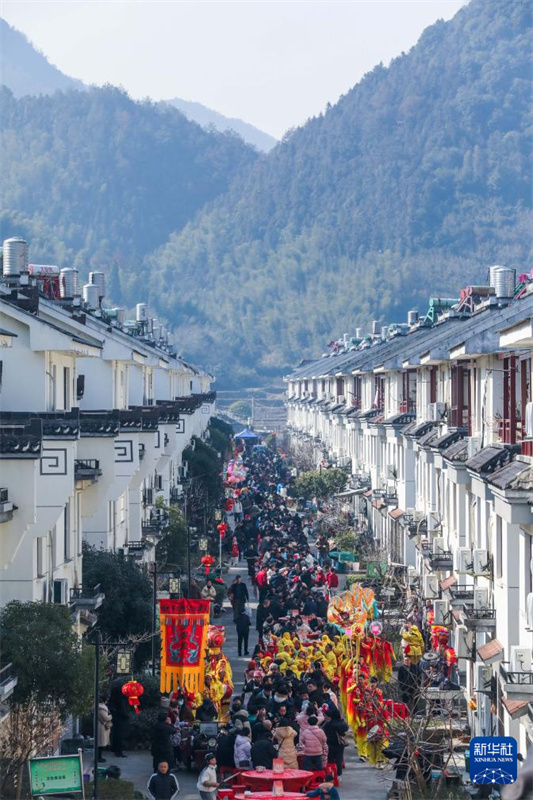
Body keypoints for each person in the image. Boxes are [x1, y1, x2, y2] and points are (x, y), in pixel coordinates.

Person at [321, 706, 348, 776]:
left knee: (330, 760)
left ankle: (330, 774)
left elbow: (323, 730)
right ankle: (339, 774)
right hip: (340, 744)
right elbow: (346, 728)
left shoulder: (328, 724)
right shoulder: (342, 723)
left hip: (330, 744)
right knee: (339, 760)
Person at [97, 696, 113, 762]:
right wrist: (111, 716)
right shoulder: (101, 708)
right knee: (100, 744)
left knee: (100, 744)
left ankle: (99, 757)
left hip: (101, 727)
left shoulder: (100, 708)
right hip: (101, 728)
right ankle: (99, 758)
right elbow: (105, 718)